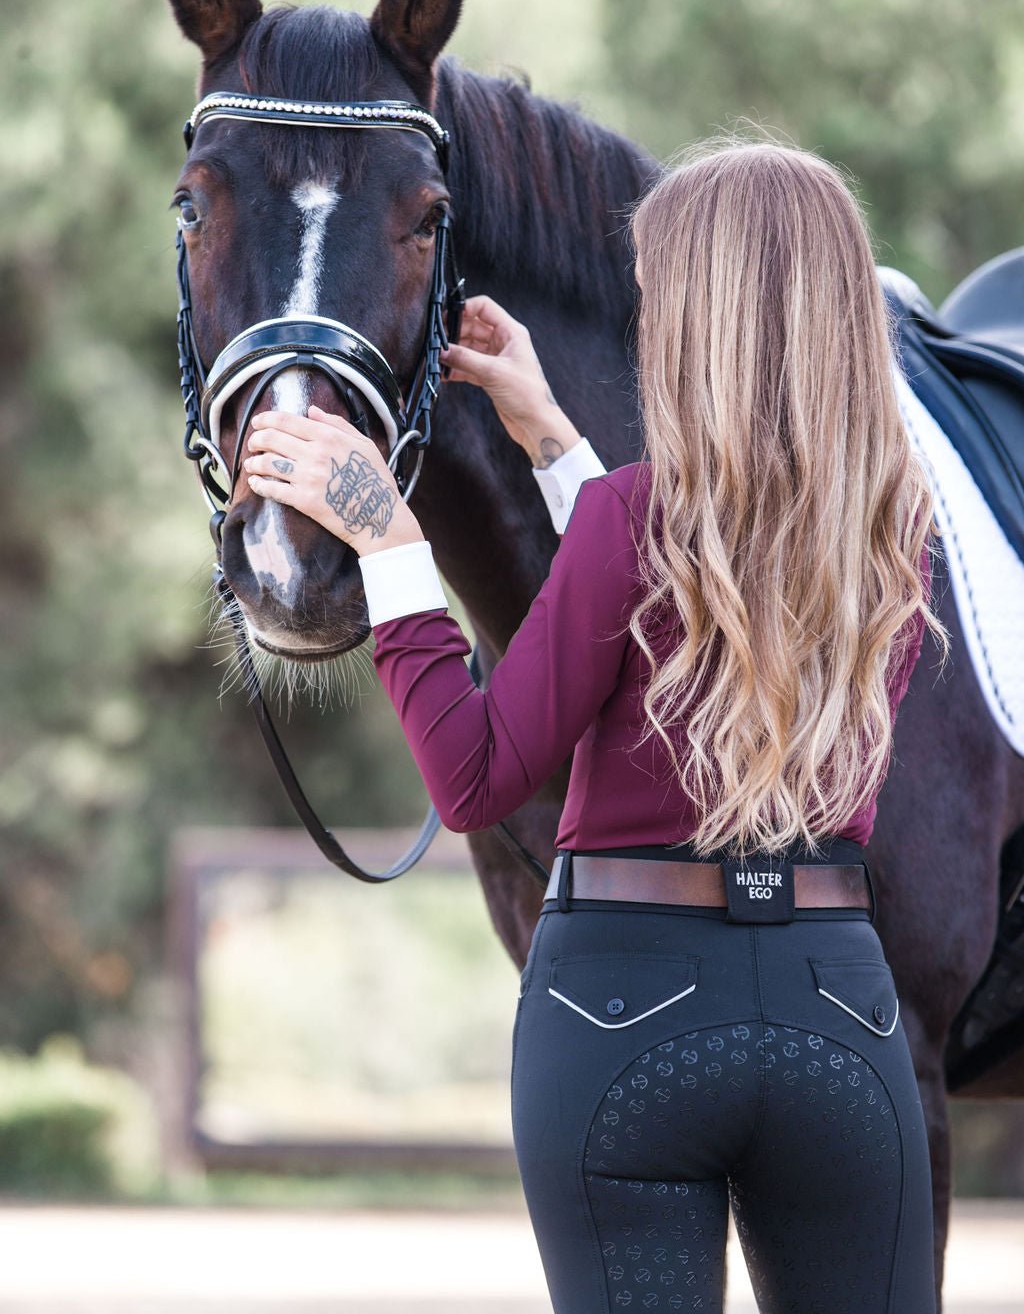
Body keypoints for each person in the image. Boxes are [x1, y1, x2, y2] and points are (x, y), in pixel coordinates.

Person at [243, 139, 946, 1314]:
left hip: (623, 1013)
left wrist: (391, 545)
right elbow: (695, 607)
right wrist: (552, 438)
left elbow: (473, 779)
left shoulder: (633, 517)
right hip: (839, 1008)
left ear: (701, 319)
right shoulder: (888, 538)